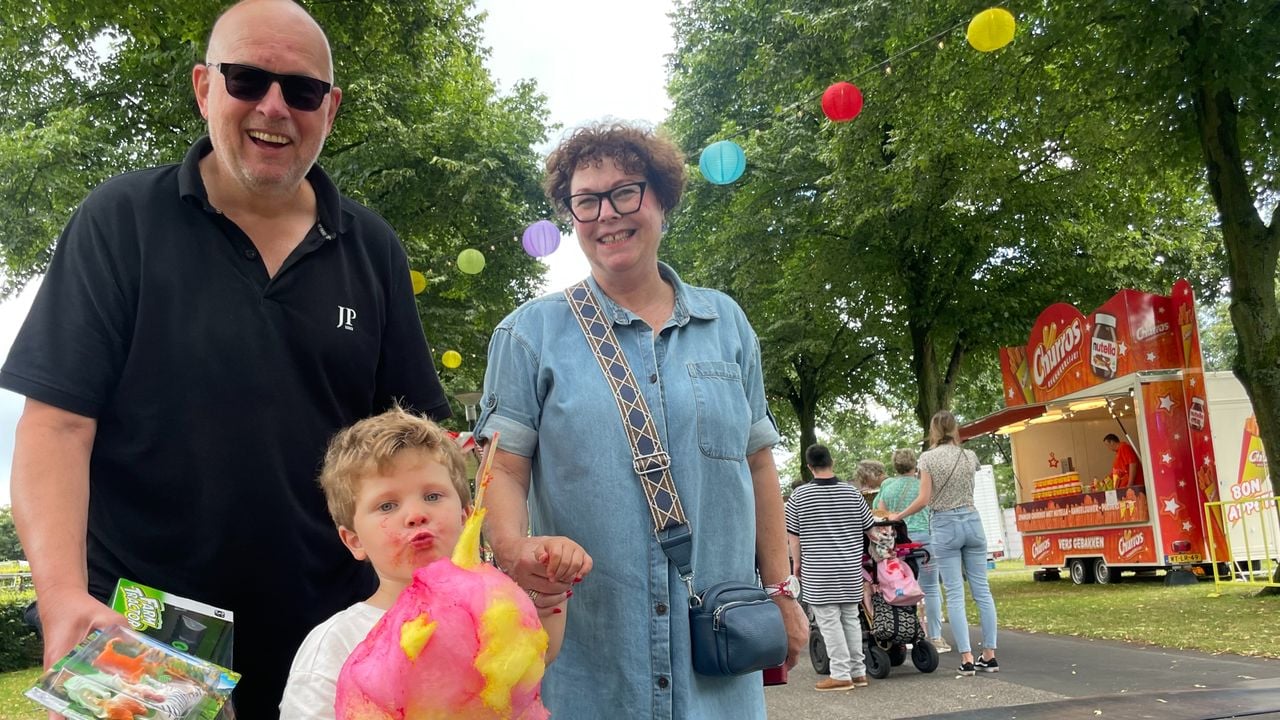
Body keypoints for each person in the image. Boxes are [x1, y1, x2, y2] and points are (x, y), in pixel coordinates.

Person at [0, 1, 451, 714]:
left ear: (329, 109)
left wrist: (463, 572)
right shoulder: (119, 221)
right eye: (247, 79)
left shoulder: (373, 248)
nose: (274, 106)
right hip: (146, 636)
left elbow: (416, 445)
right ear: (205, 88)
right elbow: (56, 425)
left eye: (301, 90)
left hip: (334, 631)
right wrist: (60, 595)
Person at [475, 121, 806, 719]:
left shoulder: (727, 324)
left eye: (626, 192)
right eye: (586, 201)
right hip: (586, 659)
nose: (608, 214)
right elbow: (501, 467)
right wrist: (513, 550)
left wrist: (782, 590)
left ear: (661, 199)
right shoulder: (528, 335)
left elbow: (760, 465)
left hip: (715, 658)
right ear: (571, 217)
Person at [279, 407, 586, 719]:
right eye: (387, 505)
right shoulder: (336, 642)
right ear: (354, 540)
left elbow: (539, 654)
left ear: (466, 516)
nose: (416, 514)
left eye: (432, 496)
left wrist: (550, 582)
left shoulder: (491, 607)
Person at [889, 410, 999, 675]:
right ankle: (990, 654)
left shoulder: (927, 459)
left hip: (945, 525)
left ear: (934, 430)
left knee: (954, 593)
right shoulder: (968, 456)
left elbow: (925, 498)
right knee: (982, 591)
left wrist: (899, 516)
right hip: (973, 521)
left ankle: (967, 658)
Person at [785, 444, 875, 691]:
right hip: (850, 568)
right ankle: (858, 672)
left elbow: (794, 537)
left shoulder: (799, 496)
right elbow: (870, 529)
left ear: (809, 466)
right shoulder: (852, 493)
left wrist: (797, 566)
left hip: (818, 568)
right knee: (850, 618)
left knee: (829, 621)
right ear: (832, 462)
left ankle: (840, 674)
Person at [876, 448, 948, 653]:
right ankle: (935, 636)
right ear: (915, 465)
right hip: (924, 540)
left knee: (900, 586)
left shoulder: (887, 488)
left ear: (895, 466)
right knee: (931, 587)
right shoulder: (923, 486)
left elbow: (883, 514)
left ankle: (903, 630)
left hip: (898, 542)